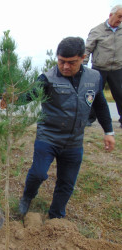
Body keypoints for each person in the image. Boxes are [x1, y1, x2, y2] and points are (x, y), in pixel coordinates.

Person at [17, 37, 115, 219]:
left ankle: (56, 215)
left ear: (83, 58)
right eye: (61, 61)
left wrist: (108, 131)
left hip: (74, 141)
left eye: (72, 62)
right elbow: (28, 95)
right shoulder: (48, 78)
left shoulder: (94, 78)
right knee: (38, 173)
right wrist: (12, 96)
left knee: (67, 182)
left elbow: (100, 104)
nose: (65, 66)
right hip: (48, 137)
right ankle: (26, 198)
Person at [84, 5, 122, 128]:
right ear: (111, 15)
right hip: (99, 68)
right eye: (119, 16)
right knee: (93, 94)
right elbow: (87, 49)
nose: (120, 20)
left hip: (117, 68)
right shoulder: (97, 30)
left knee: (120, 94)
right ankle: (89, 119)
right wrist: (83, 67)